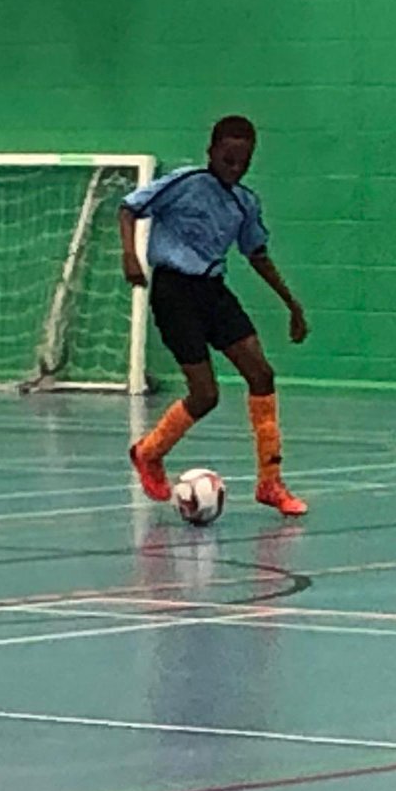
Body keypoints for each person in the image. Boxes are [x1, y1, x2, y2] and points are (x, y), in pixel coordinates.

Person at [120, 115, 309, 516]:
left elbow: (256, 254)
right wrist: (131, 256)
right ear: (211, 152)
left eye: (244, 161)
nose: (236, 168)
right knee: (205, 395)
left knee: (261, 374)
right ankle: (148, 453)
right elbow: (129, 208)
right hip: (175, 292)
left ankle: (270, 483)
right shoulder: (184, 182)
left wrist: (291, 304)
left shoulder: (244, 202)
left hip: (213, 291)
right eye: (228, 159)